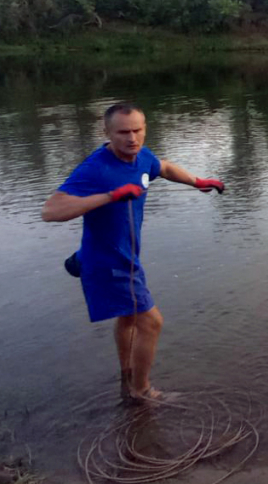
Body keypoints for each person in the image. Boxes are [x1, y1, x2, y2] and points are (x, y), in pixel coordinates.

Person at [41, 103, 225, 402]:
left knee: (128, 318)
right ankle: (142, 391)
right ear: (107, 133)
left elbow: (163, 166)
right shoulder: (96, 168)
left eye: (138, 130)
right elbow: (50, 211)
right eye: (123, 132)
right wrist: (110, 196)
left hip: (122, 255)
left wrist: (196, 181)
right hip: (111, 262)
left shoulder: (141, 157)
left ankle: (127, 377)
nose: (132, 138)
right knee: (151, 322)